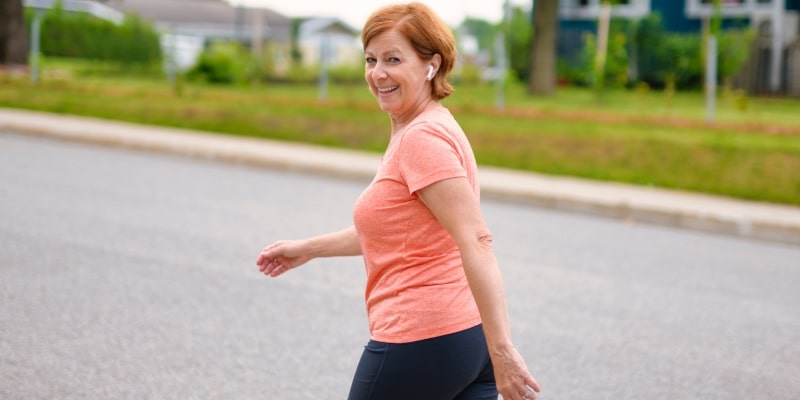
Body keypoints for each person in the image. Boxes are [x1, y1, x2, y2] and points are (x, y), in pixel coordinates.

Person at [256, 3, 541, 399]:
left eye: (393, 59)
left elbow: (476, 239)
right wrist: (307, 249)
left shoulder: (421, 139)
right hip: (464, 340)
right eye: (371, 59)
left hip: (421, 339)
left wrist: (504, 350)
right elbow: (396, 231)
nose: (378, 73)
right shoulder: (432, 124)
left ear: (431, 65)